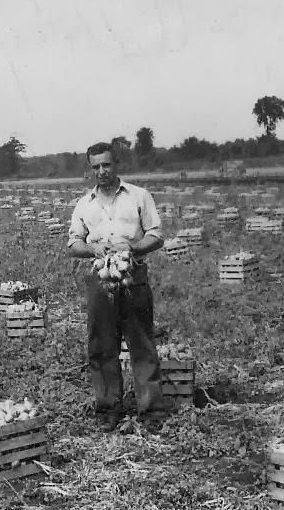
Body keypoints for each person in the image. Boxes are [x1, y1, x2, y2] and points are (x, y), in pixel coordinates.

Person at [67, 141, 166, 432]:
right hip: (101, 278)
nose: (102, 171)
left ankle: (152, 411)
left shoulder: (139, 196)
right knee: (102, 345)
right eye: (96, 166)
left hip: (132, 275)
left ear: (116, 164)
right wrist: (92, 249)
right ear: (90, 169)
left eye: (106, 165)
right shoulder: (84, 204)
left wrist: (133, 247)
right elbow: (74, 243)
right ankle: (109, 409)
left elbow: (156, 235)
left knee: (142, 343)